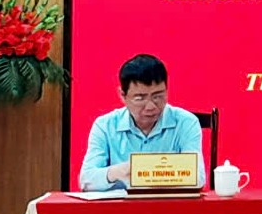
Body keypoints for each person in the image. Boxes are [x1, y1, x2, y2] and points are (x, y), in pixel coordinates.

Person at [79, 54, 205, 191]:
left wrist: (148, 172)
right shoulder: (105, 126)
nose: (150, 106)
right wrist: (120, 171)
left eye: (158, 96)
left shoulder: (186, 122)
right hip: (121, 204)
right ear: (123, 95)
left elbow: (198, 178)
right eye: (140, 98)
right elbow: (86, 180)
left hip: (169, 204)